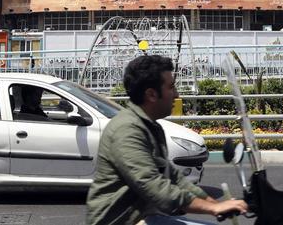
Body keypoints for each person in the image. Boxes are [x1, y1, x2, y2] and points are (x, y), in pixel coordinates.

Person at [86, 55, 248, 225]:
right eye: (171, 87)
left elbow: (174, 178)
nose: (177, 95)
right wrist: (212, 209)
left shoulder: (150, 126)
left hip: (143, 218)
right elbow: (154, 187)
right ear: (151, 94)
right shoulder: (127, 130)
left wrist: (217, 204)